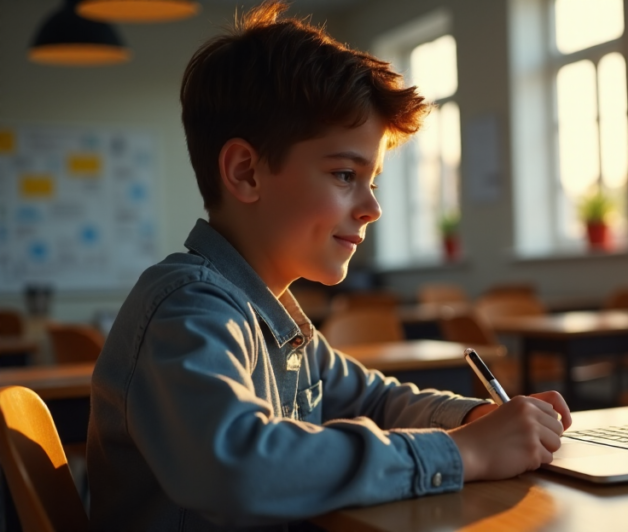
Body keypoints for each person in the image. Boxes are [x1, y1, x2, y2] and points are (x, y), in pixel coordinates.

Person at [86, 2, 571, 530]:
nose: (372, 207)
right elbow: (241, 468)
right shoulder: (186, 308)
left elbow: (374, 399)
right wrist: (462, 454)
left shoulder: (278, 318)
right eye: (345, 174)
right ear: (246, 172)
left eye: (373, 181)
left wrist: (477, 419)